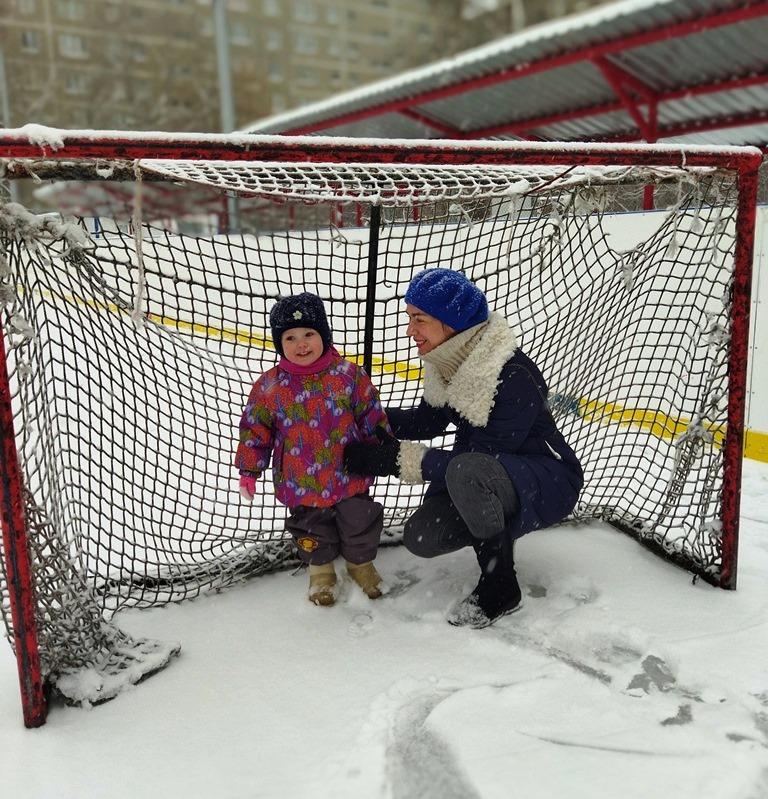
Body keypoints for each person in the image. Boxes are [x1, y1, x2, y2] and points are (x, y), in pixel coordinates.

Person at [344, 268, 583, 629]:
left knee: (467, 470)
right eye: (409, 318)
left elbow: (478, 462)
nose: (410, 331)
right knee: (423, 537)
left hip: (546, 480)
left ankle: (500, 584)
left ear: (452, 323)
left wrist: (395, 459)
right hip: (483, 474)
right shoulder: (449, 361)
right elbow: (429, 421)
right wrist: (367, 418)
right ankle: (494, 532)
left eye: (419, 320)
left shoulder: (511, 374)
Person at [236, 292, 390, 607]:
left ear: (324, 335)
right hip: (298, 480)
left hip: (348, 473)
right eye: (290, 338)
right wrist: (249, 470)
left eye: (309, 334)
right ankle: (320, 571)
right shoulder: (270, 386)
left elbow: (371, 414)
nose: (301, 344)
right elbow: (255, 428)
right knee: (310, 528)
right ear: (280, 344)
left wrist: (382, 449)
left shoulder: (348, 375)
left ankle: (360, 564)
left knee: (359, 520)